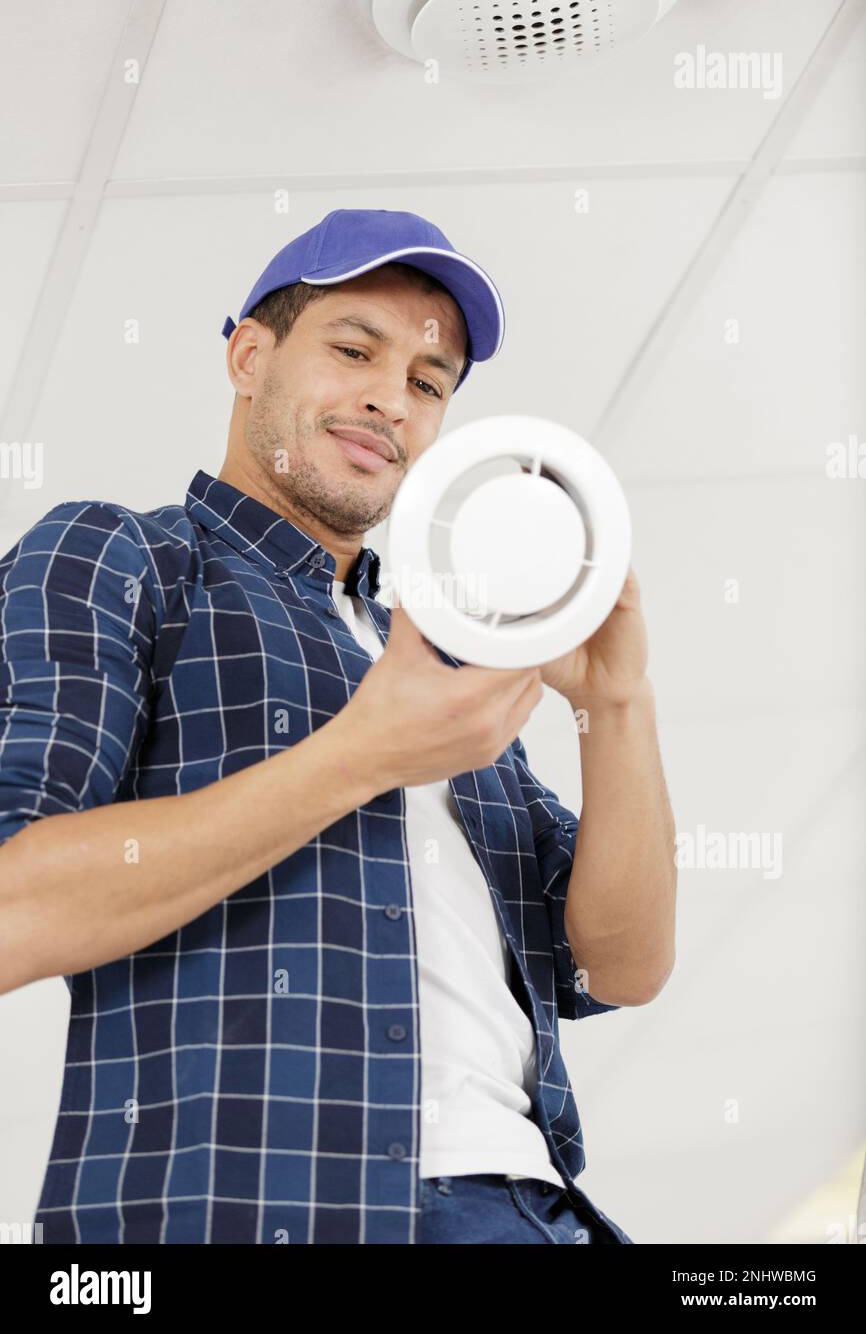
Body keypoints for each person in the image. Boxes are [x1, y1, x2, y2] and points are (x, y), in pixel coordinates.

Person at [0, 208, 676, 1244]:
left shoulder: (446, 661)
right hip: (267, 1209)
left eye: (425, 380)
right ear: (248, 354)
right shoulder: (121, 557)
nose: (386, 397)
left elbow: (616, 968)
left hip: (533, 1214)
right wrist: (361, 755)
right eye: (354, 348)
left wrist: (612, 704)